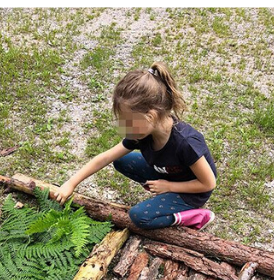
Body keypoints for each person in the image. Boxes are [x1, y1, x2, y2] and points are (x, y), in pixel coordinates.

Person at [55, 61, 217, 231]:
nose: (126, 128)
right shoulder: (142, 133)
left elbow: (208, 184)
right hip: (168, 173)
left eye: (129, 123)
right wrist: (71, 183)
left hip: (192, 191)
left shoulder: (186, 143)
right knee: (121, 160)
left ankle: (195, 216)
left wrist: (169, 187)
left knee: (139, 217)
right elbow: (106, 157)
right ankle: (166, 196)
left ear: (151, 116)